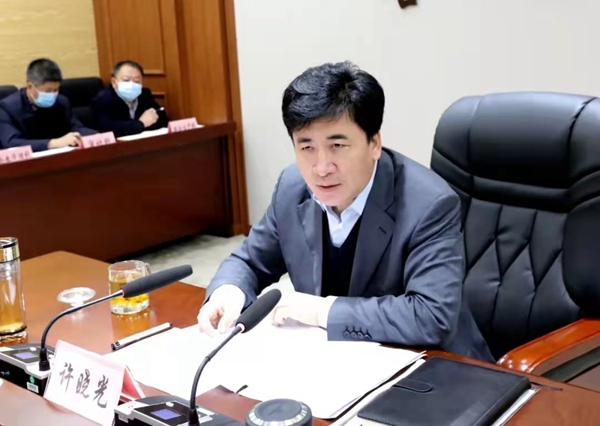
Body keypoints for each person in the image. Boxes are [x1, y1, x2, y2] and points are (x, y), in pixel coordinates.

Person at [197, 61, 493, 362]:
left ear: (374, 143)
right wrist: (228, 292)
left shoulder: (429, 203)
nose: (321, 168)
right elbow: (249, 261)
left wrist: (321, 310)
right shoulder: (291, 187)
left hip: (434, 366)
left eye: (337, 145)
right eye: (307, 147)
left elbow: (430, 316)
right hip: (339, 362)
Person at [0, 58, 96, 152]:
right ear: (29, 86)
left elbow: (76, 127)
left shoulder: (61, 102)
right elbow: (11, 142)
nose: (53, 95)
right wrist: (52, 143)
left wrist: (96, 136)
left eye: (56, 90)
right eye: (48, 91)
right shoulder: (7, 108)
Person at [91, 60, 168, 137]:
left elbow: (162, 118)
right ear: (114, 82)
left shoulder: (144, 94)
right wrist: (140, 124)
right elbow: (107, 129)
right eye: (126, 80)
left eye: (136, 81)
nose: (132, 84)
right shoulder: (102, 100)